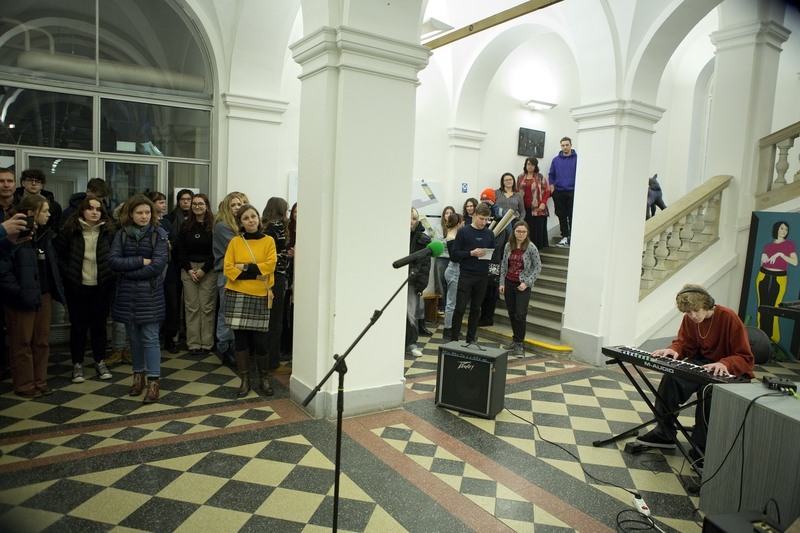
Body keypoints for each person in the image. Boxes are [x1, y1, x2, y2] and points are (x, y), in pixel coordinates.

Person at [635, 285, 755, 462]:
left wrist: (725, 363)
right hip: (704, 363)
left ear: (707, 304)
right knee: (671, 379)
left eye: (696, 310)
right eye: (688, 312)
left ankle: (702, 447)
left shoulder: (727, 316)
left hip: (730, 369)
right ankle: (664, 433)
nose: (693, 316)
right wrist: (673, 350)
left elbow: (745, 357)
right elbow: (684, 344)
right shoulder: (690, 319)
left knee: (708, 391)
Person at [0, 194, 65, 398]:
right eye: (44, 211)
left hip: (43, 294)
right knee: (22, 342)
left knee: (41, 341)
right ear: (30, 213)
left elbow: (52, 264)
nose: (48, 214)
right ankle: (25, 384)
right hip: (20, 298)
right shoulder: (14, 234)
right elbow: (4, 269)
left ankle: (40, 380)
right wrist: (18, 292)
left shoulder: (45, 234)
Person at [109, 194, 170, 404]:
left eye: (147, 212)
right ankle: (138, 377)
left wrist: (128, 271)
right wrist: (139, 261)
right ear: (131, 214)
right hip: (127, 296)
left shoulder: (158, 234)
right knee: (133, 339)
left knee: (150, 338)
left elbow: (157, 266)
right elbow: (114, 261)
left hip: (150, 295)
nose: (144, 216)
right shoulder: (121, 234)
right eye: (139, 212)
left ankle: (153, 381)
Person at [54, 194, 117, 383]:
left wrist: (111, 273)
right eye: (91, 208)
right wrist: (69, 273)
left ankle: (99, 361)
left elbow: (116, 255)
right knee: (78, 327)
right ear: (83, 210)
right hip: (77, 287)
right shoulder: (70, 230)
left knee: (99, 327)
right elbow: (56, 255)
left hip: (102, 286)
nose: (95, 212)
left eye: (98, 209)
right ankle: (77, 364)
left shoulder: (109, 231)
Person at [223, 204, 277, 397]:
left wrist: (243, 267)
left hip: (261, 295)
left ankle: (263, 378)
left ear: (258, 218)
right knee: (241, 341)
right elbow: (228, 269)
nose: (251, 220)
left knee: (261, 341)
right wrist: (254, 273)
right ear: (240, 222)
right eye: (245, 218)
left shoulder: (269, 240)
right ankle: (245, 379)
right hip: (237, 294)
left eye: (253, 216)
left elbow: (270, 265)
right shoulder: (235, 242)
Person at [448, 203, 496, 344]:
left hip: (482, 275)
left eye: (486, 219)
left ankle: (471, 339)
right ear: (474, 215)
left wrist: (487, 254)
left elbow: (493, 253)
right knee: (460, 307)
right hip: (466, 274)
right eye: (481, 218)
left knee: (476, 308)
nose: (483, 222)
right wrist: (471, 253)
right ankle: (454, 338)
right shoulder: (464, 231)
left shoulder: (489, 233)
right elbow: (455, 254)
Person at [213, 191, 249, 366]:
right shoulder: (222, 226)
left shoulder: (241, 225)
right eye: (233, 205)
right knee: (226, 313)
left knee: (238, 313)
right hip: (227, 275)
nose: (237, 208)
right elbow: (240, 250)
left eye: (241, 204)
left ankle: (236, 347)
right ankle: (225, 348)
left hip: (242, 275)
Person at [178, 193, 217, 356]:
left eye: (200, 204)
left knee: (207, 307)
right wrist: (189, 269)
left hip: (208, 270)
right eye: (194, 204)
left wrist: (203, 269)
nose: (197, 206)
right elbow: (181, 250)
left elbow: (216, 251)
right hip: (189, 270)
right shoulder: (186, 225)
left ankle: (207, 343)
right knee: (192, 307)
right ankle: (193, 343)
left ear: (207, 206)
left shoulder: (214, 226)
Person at [498, 221, 542, 357]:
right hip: (509, 283)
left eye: (523, 231)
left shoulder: (531, 247)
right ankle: (515, 339)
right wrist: (502, 283)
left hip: (522, 286)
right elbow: (504, 265)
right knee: (512, 313)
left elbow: (538, 267)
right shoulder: (508, 246)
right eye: (518, 231)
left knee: (520, 314)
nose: (521, 234)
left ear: (527, 233)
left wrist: (527, 282)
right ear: (514, 232)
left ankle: (519, 344)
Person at [262, 197, 294, 374]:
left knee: (267, 319)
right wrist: (286, 256)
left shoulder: (264, 225)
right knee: (276, 320)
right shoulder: (278, 226)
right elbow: (278, 255)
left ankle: (264, 358)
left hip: (265, 276)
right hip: (277, 276)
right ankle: (272, 362)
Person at [163, 188, 194, 349]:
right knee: (173, 303)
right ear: (178, 201)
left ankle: (189, 335)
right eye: (183, 199)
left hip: (192, 265)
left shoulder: (200, 220)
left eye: (189, 199)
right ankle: (172, 335)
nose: (186, 202)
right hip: (173, 266)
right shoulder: (170, 218)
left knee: (190, 304)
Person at [756, 220, 797, 341]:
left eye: (786, 229)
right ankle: (760, 336)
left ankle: (773, 338)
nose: (784, 231)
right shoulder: (768, 245)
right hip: (763, 275)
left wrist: (780, 254)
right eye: (782, 228)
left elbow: (795, 262)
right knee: (762, 305)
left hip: (779, 278)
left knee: (774, 307)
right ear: (776, 229)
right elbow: (762, 263)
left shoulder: (789, 244)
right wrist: (763, 258)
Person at [405, 208, 432, 357]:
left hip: (413, 281)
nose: (410, 221)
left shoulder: (423, 239)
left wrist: (421, 285)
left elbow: (425, 265)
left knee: (411, 314)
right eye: (408, 218)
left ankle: (411, 343)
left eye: (413, 219)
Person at [13, 169, 63, 234]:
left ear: (42, 185)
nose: (34, 183)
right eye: (30, 180)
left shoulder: (54, 206)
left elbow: (55, 229)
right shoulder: (13, 201)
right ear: (23, 183)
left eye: (37, 181)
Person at [549, 137, 577, 247]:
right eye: (563, 145)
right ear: (561, 146)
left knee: (572, 214)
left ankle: (573, 236)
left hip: (572, 191)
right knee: (561, 215)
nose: (565, 147)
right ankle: (564, 236)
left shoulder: (577, 159)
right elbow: (551, 175)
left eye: (567, 145)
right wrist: (552, 189)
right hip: (559, 191)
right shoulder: (556, 160)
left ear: (570, 145)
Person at [517, 157, 550, 250]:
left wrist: (543, 203)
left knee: (537, 233)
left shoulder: (540, 177)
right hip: (524, 210)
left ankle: (536, 252)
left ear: (535, 166)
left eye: (532, 164)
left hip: (537, 210)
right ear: (525, 165)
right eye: (528, 164)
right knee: (526, 231)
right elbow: (517, 191)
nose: (530, 166)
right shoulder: (520, 177)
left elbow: (547, 191)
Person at [441, 212, 464, 340]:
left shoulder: (454, 235)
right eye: (463, 222)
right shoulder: (452, 237)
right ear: (458, 223)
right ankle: (448, 328)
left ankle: (451, 327)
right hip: (454, 269)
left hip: (455, 269)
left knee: (453, 301)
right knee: (451, 302)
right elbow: (455, 257)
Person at [281, 201, 297, 359]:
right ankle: (285, 346)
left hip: (300, 275)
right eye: (295, 212)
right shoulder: (287, 231)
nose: (298, 215)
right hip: (288, 275)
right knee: (286, 312)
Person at [433, 205, 455, 314]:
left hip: (453, 258)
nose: (448, 215)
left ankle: (449, 306)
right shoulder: (439, 227)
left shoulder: (456, 228)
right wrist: (449, 241)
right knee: (440, 282)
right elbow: (439, 244)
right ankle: (441, 305)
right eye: (446, 213)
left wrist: (447, 241)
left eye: (451, 213)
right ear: (443, 215)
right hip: (441, 258)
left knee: (451, 282)